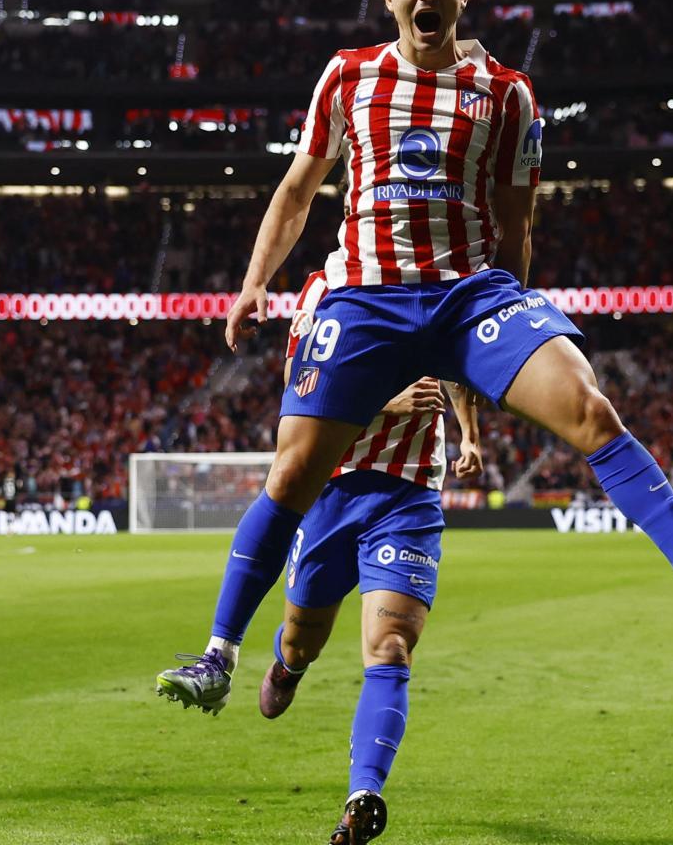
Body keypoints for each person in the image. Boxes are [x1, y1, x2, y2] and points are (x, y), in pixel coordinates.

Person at [158, 269, 481, 842]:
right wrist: (387, 402)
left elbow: (458, 368)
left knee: (391, 647)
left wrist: (469, 433)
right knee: (302, 636)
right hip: (332, 487)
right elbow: (298, 382)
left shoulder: (449, 283)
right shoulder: (323, 291)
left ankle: (365, 794)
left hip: (409, 496)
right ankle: (290, 664)